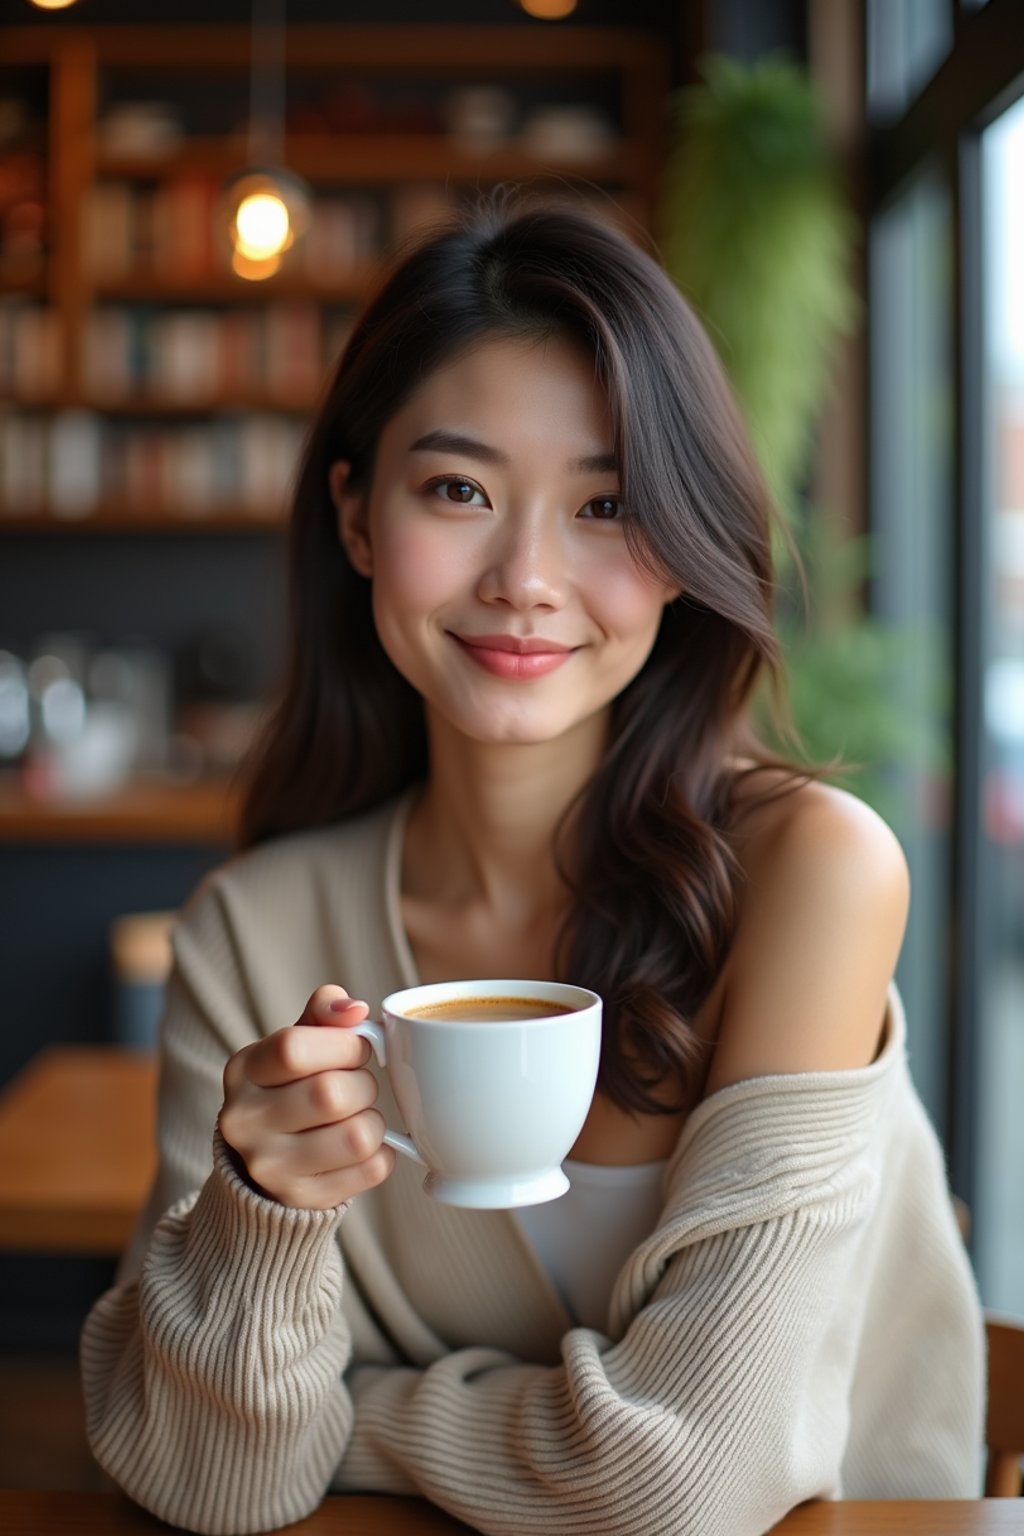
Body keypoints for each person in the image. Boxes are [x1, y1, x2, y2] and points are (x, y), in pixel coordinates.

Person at [80, 186, 985, 1536]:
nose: (524, 577)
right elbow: (217, 1484)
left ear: (682, 552)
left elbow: (684, 1484)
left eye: (608, 504)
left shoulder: (812, 874)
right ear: (356, 516)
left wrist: (350, 1424)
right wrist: (264, 1218)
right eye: (458, 490)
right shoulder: (255, 933)